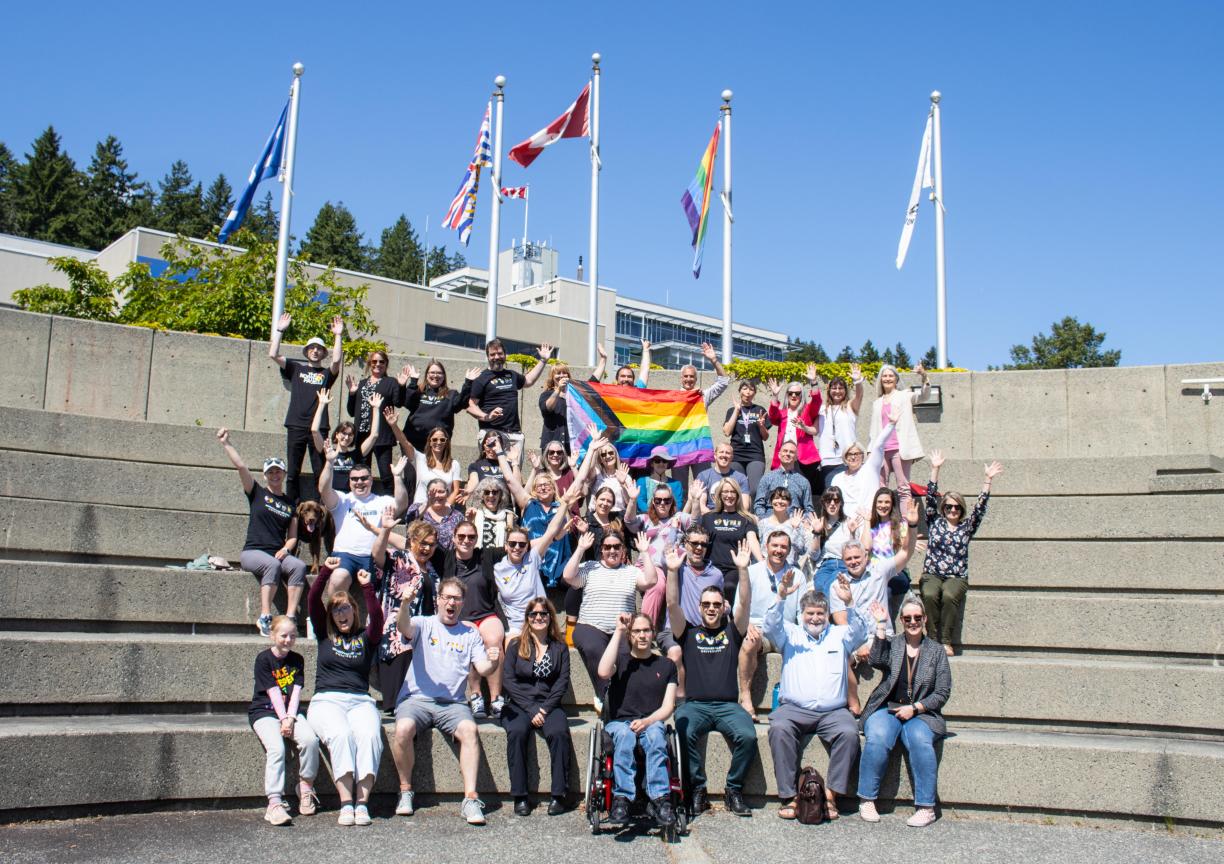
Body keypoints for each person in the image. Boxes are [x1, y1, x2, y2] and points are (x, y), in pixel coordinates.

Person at [393, 577, 500, 825]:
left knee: (470, 730)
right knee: (402, 729)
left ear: (462, 603)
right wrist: (405, 603)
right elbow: (403, 627)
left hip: (453, 704)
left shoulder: (470, 632)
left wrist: (494, 660)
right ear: (438, 600)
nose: (451, 603)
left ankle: (471, 799)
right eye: (447, 597)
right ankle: (405, 790)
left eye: (457, 598)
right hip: (416, 699)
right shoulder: (423, 624)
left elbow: (482, 668)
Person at [765, 572, 871, 820]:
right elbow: (770, 626)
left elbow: (861, 633)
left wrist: (850, 603)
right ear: (802, 615)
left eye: (820, 613)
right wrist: (781, 596)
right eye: (810, 613)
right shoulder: (790, 634)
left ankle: (831, 797)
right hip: (794, 708)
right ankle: (790, 797)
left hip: (833, 711)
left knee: (848, 733)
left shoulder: (838, 634)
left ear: (826, 615)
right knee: (778, 729)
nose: (815, 618)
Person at [667, 540, 755, 817]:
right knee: (683, 731)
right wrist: (672, 572)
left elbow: (745, 601)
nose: (711, 608)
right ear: (700, 606)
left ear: (722, 607)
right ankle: (698, 790)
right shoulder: (689, 632)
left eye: (717, 604)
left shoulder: (732, 631)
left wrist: (742, 570)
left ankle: (733, 789)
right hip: (696, 705)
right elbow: (671, 603)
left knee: (749, 737)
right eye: (706, 604)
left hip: (729, 706)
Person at [857, 594, 952, 828]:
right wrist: (880, 625)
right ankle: (867, 799)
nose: (912, 621)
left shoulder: (936, 651)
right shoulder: (895, 644)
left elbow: (942, 692)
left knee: (920, 740)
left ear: (925, 619)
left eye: (917, 617)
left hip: (922, 713)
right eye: (907, 617)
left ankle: (926, 807)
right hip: (888, 707)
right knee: (877, 736)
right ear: (901, 620)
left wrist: (915, 708)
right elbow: (876, 660)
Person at [306, 559, 384, 826]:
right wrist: (326, 571)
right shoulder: (323, 633)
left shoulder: (366, 637)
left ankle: (362, 803)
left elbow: (378, 616)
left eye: (346, 608)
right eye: (336, 610)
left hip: (360, 700)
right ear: (330, 615)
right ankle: (346, 803)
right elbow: (314, 597)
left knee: (370, 735)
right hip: (326, 700)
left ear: (354, 611)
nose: (341, 614)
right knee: (340, 735)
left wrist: (367, 587)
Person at [217, 428, 307, 636]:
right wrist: (226, 443)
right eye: (271, 472)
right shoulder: (257, 492)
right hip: (253, 553)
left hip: (277, 552)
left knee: (298, 566)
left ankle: (290, 616)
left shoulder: (289, 503)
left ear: (284, 474)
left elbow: (293, 536)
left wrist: (286, 549)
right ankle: (265, 616)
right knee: (273, 565)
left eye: (278, 471)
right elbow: (241, 467)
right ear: (265, 475)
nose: (275, 475)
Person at [597, 611, 678, 828]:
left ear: (653, 633)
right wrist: (619, 630)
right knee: (624, 736)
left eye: (646, 630)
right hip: (620, 722)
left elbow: (668, 706)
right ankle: (621, 799)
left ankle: (661, 800)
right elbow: (603, 671)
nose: (642, 635)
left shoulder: (667, 665)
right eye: (637, 631)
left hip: (651, 721)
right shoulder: (621, 661)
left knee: (656, 737)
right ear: (630, 635)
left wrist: (648, 721)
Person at [830, 522, 918, 715]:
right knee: (837, 658)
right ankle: (853, 704)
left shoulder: (879, 571)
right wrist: (859, 644)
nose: (853, 562)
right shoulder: (838, 585)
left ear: (866, 557)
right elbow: (840, 619)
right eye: (848, 559)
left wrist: (912, 525)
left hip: (882, 636)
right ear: (843, 562)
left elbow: (905, 553)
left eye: (856, 557)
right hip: (855, 637)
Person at [921, 452, 1003, 656]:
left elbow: (980, 508)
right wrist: (935, 469)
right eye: (948, 506)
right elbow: (930, 497)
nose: (952, 510)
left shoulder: (967, 527)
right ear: (943, 508)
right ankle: (931, 639)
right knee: (930, 593)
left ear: (961, 509)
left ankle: (946, 641)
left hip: (956, 576)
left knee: (948, 595)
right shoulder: (935, 521)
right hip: (932, 573)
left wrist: (987, 480)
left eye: (956, 507)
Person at [563, 530, 657, 707]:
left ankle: (616, 696)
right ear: (601, 550)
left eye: (616, 547)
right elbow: (568, 576)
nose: (612, 550)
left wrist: (644, 552)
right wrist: (581, 549)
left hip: (623, 628)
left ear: (623, 550)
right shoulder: (591, 567)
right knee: (593, 648)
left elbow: (651, 581)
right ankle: (604, 694)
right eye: (607, 547)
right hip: (590, 625)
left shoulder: (631, 571)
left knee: (624, 655)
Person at [501, 596, 574, 816]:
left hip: (549, 705)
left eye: (544, 614)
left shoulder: (560, 648)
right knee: (516, 732)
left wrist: (544, 709)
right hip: (519, 704)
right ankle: (520, 796)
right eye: (534, 614)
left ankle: (558, 795)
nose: (539, 617)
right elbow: (508, 681)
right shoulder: (516, 645)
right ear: (527, 618)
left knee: (559, 733)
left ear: (551, 617)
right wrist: (531, 709)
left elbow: (562, 682)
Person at [248, 615, 320, 826]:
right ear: (272, 635)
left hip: (291, 711)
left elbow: (296, 692)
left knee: (310, 740)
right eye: (283, 635)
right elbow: (272, 692)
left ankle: (305, 786)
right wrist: (284, 719)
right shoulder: (263, 659)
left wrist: (289, 718)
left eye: (292, 636)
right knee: (277, 749)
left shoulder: (297, 660)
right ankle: (274, 803)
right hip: (264, 711)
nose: (288, 640)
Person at [268, 313, 343, 503]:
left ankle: (320, 508)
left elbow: (336, 362)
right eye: (312, 348)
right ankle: (291, 509)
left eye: (319, 349)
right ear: (306, 351)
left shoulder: (326, 374)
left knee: (320, 471)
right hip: (296, 425)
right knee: (293, 472)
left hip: (319, 429)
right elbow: (273, 354)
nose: (315, 351)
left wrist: (338, 335)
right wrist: (279, 330)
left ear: (323, 353)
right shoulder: (296, 369)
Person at [369, 514, 438, 715]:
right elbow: (377, 555)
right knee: (400, 642)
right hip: (396, 622)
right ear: (412, 541)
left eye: (432, 545)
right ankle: (395, 703)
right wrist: (386, 530)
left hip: (424, 625)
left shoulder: (432, 568)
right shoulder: (399, 558)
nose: (427, 548)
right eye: (423, 543)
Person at [436, 521, 504, 718]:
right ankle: (476, 696)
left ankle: (496, 698)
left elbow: (520, 545)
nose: (466, 540)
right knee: (471, 641)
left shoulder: (486, 555)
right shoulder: (445, 557)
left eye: (471, 537)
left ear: (476, 539)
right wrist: (382, 530)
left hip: (486, 614)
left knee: (493, 642)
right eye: (462, 536)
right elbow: (412, 542)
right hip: (460, 618)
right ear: (453, 538)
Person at [319, 448, 409, 594]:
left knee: (381, 588)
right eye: (354, 479)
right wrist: (329, 462)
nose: (359, 482)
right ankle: (335, 615)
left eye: (364, 478)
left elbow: (402, 503)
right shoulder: (342, 500)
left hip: (372, 557)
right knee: (337, 579)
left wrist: (397, 477)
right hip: (344, 554)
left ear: (371, 480)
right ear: (349, 482)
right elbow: (324, 490)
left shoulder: (381, 501)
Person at [739, 528, 806, 720]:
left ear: (789, 550)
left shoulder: (797, 575)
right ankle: (745, 697)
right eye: (775, 545)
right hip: (759, 629)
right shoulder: (751, 572)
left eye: (783, 547)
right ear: (765, 547)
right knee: (749, 643)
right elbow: (740, 606)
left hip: (786, 630)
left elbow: (802, 613)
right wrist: (747, 625)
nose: (779, 550)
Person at [654, 527, 727, 697]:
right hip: (672, 630)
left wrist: (726, 608)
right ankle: (680, 699)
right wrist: (674, 529)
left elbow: (720, 602)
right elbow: (668, 551)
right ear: (685, 544)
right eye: (694, 543)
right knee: (675, 652)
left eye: (703, 544)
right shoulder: (676, 565)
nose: (699, 548)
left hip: (702, 630)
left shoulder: (716, 574)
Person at [499, 440, 575, 589]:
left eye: (547, 485)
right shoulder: (528, 504)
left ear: (553, 489)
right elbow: (509, 480)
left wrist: (591, 451)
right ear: (534, 489)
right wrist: (500, 453)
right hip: (532, 562)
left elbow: (580, 482)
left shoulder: (562, 507)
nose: (543, 488)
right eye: (539, 485)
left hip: (558, 564)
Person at [468, 339, 553, 457]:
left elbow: (528, 381)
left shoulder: (511, 375)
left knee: (515, 473)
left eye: (500, 353)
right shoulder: (481, 378)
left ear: (505, 355)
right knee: (493, 474)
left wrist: (543, 360)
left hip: (514, 435)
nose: (496, 357)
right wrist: (486, 417)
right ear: (488, 356)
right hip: (492, 434)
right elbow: (470, 405)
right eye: (492, 354)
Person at [674, 342, 731, 489]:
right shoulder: (672, 398)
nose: (688, 379)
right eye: (685, 376)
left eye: (691, 376)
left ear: (695, 379)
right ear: (681, 378)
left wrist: (714, 360)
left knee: (704, 486)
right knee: (680, 489)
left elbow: (724, 382)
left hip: (699, 446)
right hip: (678, 448)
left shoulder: (702, 396)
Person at [869, 363, 929, 506]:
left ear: (896, 379)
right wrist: (870, 451)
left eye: (891, 376)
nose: (887, 378)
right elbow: (874, 430)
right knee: (881, 489)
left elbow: (924, 396)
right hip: (881, 450)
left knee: (903, 488)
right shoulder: (877, 403)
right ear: (880, 379)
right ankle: (883, 524)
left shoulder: (905, 395)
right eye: (884, 376)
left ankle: (905, 526)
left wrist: (924, 376)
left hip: (899, 450)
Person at [346, 350, 403, 494]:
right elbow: (351, 411)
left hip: (382, 436)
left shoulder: (390, 382)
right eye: (374, 361)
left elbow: (399, 402)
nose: (378, 364)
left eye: (381, 362)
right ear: (370, 364)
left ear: (386, 364)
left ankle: (391, 504)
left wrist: (402, 386)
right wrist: (352, 393)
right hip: (362, 436)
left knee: (386, 475)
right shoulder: (362, 383)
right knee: (362, 475)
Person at [700, 478, 762, 604]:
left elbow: (752, 539)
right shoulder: (708, 518)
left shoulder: (746, 519)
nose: (729, 495)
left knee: (729, 586)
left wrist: (762, 561)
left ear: (738, 495)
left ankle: (733, 621)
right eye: (725, 492)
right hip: (711, 567)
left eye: (733, 492)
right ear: (719, 494)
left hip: (734, 568)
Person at [766, 367, 823, 494]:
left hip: (802, 458)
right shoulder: (782, 413)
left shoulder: (807, 410)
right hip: (784, 456)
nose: (793, 395)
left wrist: (813, 382)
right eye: (790, 393)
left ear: (801, 395)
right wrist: (775, 395)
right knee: (781, 491)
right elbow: (773, 415)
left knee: (800, 490)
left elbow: (817, 402)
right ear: (787, 395)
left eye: (797, 393)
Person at [397, 360, 477, 451]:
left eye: (439, 373)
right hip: (412, 443)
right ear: (427, 375)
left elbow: (460, 404)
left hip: (438, 445)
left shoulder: (451, 394)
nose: (435, 375)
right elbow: (407, 402)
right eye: (432, 372)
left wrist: (468, 383)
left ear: (444, 377)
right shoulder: (418, 391)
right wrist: (413, 382)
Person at [810, 488, 868, 597]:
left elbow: (853, 552)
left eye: (836, 501)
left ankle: (828, 613)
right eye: (828, 500)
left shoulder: (849, 522)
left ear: (841, 503)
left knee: (831, 586)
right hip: (825, 565)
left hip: (843, 564)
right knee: (819, 586)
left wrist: (852, 533)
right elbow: (814, 556)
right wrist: (817, 533)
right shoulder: (818, 523)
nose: (832, 504)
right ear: (823, 502)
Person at [829, 424, 893, 521]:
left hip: (868, 521)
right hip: (845, 523)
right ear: (845, 458)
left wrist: (891, 424)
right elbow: (833, 502)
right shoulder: (837, 478)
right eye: (849, 454)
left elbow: (878, 445)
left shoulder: (870, 469)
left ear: (863, 456)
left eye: (856, 453)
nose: (853, 457)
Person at [816, 365, 864, 490]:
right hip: (827, 461)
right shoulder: (822, 409)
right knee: (831, 496)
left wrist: (857, 381)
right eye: (834, 388)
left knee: (850, 494)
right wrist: (803, 426)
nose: (837, 391)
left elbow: (859, 395)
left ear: (845, 391)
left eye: (840, 388)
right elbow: (814, 430)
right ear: (829, 390)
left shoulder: (850, 406)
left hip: (848, 460)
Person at [723, 380, 771, 496]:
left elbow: (765, 437)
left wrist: (761, 426)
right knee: (738, 489)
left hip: (755, 454)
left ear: (754, 393)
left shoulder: (760, 410)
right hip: (736, 454)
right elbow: (727, 432)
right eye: (744, 388)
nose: (748, 392)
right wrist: (736, 410)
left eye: (751, 389)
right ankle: (741, 513)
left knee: (755, 489)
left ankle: (754, 513)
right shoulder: (732, 410)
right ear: (740, 391)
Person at [311, 390, 363, 494]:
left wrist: (376, 408)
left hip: (349, 499)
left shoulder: (356, 454)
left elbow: (374, 435)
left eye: (350, 434)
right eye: (344, 433)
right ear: (337, 434)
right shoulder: (328, 452)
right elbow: (314, 431)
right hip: (330, 497)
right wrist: (321, 404)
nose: (346, 437)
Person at [401, 426, 463, 507]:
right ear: (430, 442)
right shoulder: (420, 459)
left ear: (446, 443)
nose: (438, 442)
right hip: (421, 509)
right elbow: (405, 443)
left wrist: (445, 509)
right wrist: (393, 425)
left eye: (442, 440)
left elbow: (456, 490)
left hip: (443, 511)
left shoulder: (454, 464)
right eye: (434, 439)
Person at [753, 440, 814, 520]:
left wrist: (803, 521)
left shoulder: (803, 481)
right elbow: (758, 504)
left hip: (794, 524)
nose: (788, 454)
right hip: (770, 522)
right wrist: (766, 521)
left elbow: (809, 509)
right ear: (779, 454)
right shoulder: (767, 478)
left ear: (796, 457)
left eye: (791, 452)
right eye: (785, 451)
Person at [755, 486, 812, 567]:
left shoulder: (796, 522)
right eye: (776, 498)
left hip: (790, 568)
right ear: (771, 501)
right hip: (767, 568)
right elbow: (759, 548)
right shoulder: (762, 524)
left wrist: (795, 529)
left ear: (789, 503)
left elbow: (801, 550)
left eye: (784, 499)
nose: (780, 501)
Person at [404, 478, 464, 552]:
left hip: (446, 559)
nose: (437, 495)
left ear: (447, 493)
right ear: (427, 493)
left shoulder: (457, 516)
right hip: (421, 556)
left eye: (441, 492)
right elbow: (410, 524)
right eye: (432, 492)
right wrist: (427, 504)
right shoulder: (416, 508)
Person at [694, 442, 750, 513]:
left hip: (733, 516)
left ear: (732, 457)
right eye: (721, 452)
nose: (724, 455)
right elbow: (702, 506)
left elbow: (745, 506)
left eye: (727, 453)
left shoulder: (741, 478)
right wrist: (714, 519)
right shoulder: (703, 476)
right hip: (710, 516)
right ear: (715, 455)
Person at [467, 475, 515, 551]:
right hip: (479, 558)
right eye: (486, 492)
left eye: (495, 492)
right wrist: (469, 520)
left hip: (500, 558)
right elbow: (467, 537)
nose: (491, 495)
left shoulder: (508, 515)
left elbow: (512, 540)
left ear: (500, 495)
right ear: (482, 496)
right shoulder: (475, 514)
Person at [635, 446, 685, 513]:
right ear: (652, 464)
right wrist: (656, 514)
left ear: (667, 464)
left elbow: (678, 505)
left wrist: (665, 516)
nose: (661, 463)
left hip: (670, 520)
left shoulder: (676, 484)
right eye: (657, 461)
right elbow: (640, 503)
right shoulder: (642, 482)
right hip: (647, 519)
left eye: (664, 461)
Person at [538, 362, 573, 452]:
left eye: (564, 373)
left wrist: (603, 360)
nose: (561, 376)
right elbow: (546, 408)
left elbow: (591, 383)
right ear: (552, 377)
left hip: (570, 444)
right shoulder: (546, 394)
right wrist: (558, 389)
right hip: (551, 444)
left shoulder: (574, 395)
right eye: (558, 373)